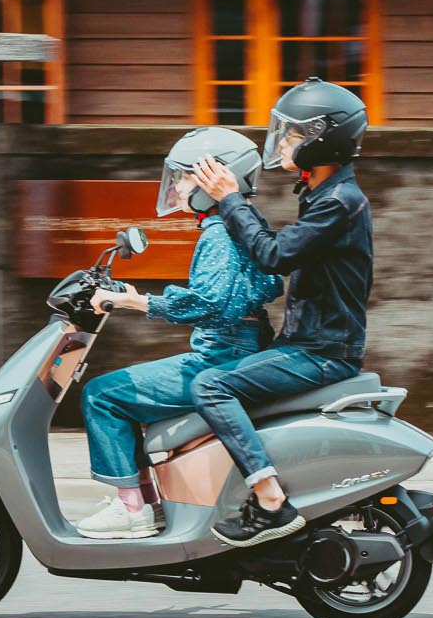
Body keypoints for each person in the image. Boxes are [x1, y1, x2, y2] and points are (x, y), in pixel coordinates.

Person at [185, 76, 373, 548]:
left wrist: (229, 198)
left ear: (322, 138)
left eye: (293, 133)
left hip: (322, 351)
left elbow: (273, 255)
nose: (284, 141)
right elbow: (277, 254)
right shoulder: (324, 197)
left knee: (209, 385)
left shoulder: (338, 203)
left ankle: (270, 500)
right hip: (310, 343)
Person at [73, 126, 282, 540]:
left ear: (212, 177)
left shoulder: (220, 234)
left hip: (219, 358)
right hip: (240, 349)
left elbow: (209, 303)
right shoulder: (244, 224)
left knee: (102, 394)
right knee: (122, 393)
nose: (180, 186)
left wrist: (138, 302)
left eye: (186, 176)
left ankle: (132, 508)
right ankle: (147, 501)